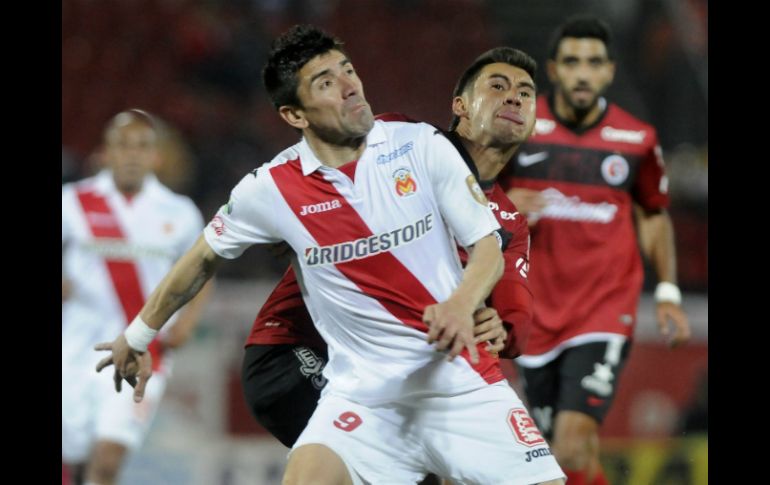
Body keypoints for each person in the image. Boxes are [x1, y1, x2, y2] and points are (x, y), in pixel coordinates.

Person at [95, 25, 565, 485]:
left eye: (348, 70)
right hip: (361, 398)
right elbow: (201, 258)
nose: (349, 86)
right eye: (325, 82)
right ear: (294, 115)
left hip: (458, 385)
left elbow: (488, 248)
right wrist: (137, 336)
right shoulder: (271, 189)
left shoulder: (420, 144)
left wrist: (462, 305)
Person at [241, 47, 540, 455]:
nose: (514, 98)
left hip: (386, 372)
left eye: (525, 93)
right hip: (295, 349)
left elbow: (516, 317)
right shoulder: (402, 144)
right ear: (461, 106)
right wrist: (289, 211)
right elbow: (319, 153)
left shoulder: (508, 223)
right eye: (498, 86)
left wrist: (500, 328)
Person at [501, 16, 692, 485]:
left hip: (603, 307)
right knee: (559, 456)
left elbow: (653, 215)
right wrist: (503, 205)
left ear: (609, 71)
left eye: (593, 63)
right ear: (553, 69)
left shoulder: (636, 139)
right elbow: (473, 196)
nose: (582, 73)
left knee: (571, 442)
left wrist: (668, 291)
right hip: (536, 312)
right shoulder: (518, 129)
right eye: (572, 62)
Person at [62, 109, 211, 485]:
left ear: (156, 156)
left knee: (108, 459)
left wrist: (187, 324)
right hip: (73, 349)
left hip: (142, 351)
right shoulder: (72, 202)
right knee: (74, 459)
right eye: (123, 145)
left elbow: (203, 271)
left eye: (142, 146)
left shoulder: (179, 212)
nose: (132, 155)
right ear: (105, 153)